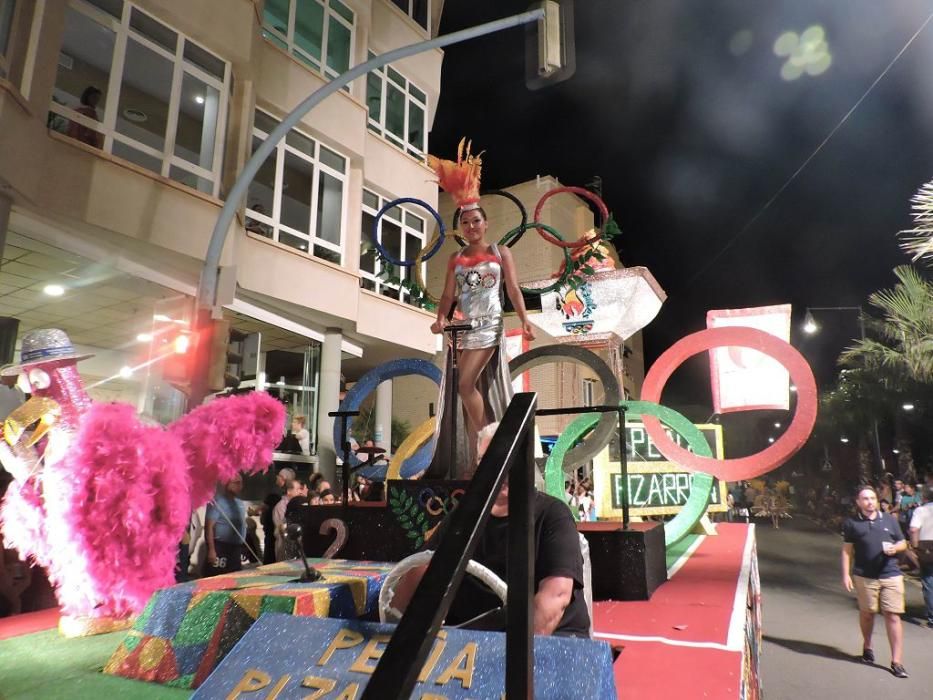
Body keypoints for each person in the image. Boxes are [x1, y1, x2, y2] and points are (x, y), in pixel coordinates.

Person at [393, 423, 590, 637]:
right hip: (474, 639)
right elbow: (421, 572)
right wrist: (397, 629)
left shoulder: (552, 515)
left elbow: (555, 598)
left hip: (552, 642)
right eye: (487, 461)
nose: (496, 469)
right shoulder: (464, 516)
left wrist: (513, 657)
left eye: (507, 460)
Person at [425, 141, 534, 478]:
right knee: (468, 392)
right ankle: (476, 458)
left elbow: (513, 289)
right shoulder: (455, 259)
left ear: (486, 224)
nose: (472, 226)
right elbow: (447, 296)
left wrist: (525, 321)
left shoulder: (502, 254)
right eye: (466, 222)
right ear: (461, 227)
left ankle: (491, 443)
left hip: (489, 326)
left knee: (465, 385)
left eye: (476, 221)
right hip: (462, 330)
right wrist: (440, 318)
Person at [841, 485, 909, 678]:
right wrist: (846, 574)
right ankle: (868, 645)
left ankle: (897, 661)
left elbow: (903, 542)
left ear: (877, 500)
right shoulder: (852, 524)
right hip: (865, 576)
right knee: (868, 614)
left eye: (872, 498)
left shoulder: (889, 520)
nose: (870, 502)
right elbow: (847, 551)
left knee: (893, 615)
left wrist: (895, 549)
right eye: (865, 499)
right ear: (858, 502)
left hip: (891, 574)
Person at [204, 475, 248, 576]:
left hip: (236, 549)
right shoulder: (217, 502)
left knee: (235, 577)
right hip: (221, 548)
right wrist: (211, 550)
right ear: (227, 483)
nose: (240, 486)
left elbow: (242, 525)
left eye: (241, 483)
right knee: (217, 577)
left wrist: (244, 546)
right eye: (237, 483)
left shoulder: (240, 503)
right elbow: (209, 527)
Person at [908, 485, 933, 627]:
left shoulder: (921, 510)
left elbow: (913, 529)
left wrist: (914, 545)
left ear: (925, 497)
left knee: (929, 581)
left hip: (927, 547)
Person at [260, 467, 295, 564]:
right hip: (273, 534)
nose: (276, 477)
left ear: (283, 479)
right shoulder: (279, 496)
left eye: (279, 476)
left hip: (275, 535)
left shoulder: (278, 497)